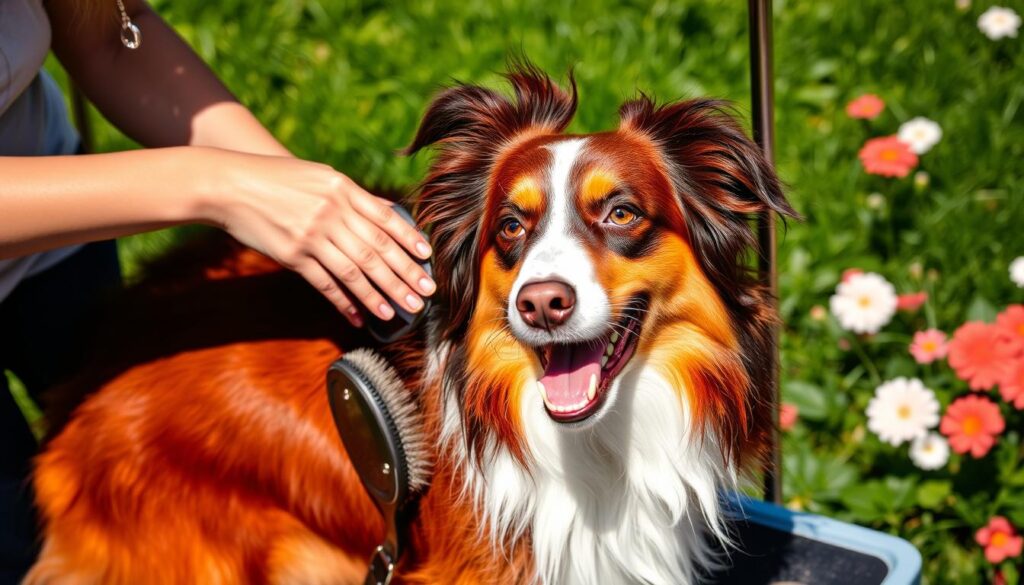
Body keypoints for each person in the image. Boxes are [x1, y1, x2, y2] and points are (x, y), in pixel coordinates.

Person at [0, 0, 435, 579]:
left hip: (60, 218)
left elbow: (109, 39)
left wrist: (293, 193)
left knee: (132, 461)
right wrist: (217, 185)